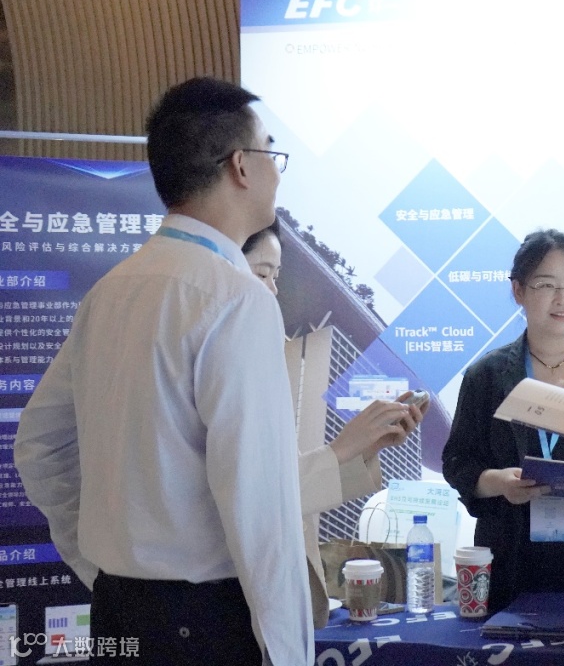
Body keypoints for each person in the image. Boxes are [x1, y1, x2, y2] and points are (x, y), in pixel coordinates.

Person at [14, 77, 347, 666]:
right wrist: (288, 653)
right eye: (271, 153)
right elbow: (259, 505)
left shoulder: (111, 290)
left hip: (120, 610)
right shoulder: (236, 299)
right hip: (204, 624)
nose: (277, 172)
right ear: (241, 165)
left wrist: (103, 563)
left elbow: (39, 446)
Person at [442, 229, 564, 614]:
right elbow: (458, 463)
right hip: (512, 559)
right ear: (518, 291)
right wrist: (499, 483)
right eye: (546, 285)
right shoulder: (486, 376)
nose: (563, 298)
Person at [241, 221, 425, 628]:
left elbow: (289, 486)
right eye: (262, 274)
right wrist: (342, 448)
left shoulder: (267, 357)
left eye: (277, 277)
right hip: (234, 594)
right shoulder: (217, 366)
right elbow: (253, 494)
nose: (273, 291)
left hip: (280, 590)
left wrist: (368, 446)